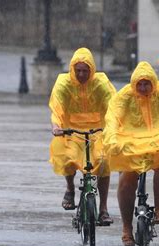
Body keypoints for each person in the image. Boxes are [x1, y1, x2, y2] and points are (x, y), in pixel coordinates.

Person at [103, 61, 159, 246]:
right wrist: (112, 138)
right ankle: (127, 228)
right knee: (126, 181)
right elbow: (113, 117)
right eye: (140, 84)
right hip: (131, 141)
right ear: (134, 83)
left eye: (146, 84)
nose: (143, 88)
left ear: (153, 83)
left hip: (158, 138)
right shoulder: (125, 96)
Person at [49, 47, 116, 225]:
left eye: (85, 71)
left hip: (98, 131)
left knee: (103, 161)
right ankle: (70, 189)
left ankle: (103, 209)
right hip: (71, 131)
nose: (81, 74)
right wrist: (57, 126)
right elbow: (57, 107)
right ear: (72, 69)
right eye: (77, 70)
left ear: (92, 70)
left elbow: (113, 107)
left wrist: (115, 126)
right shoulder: (64, 83)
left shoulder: (101, 83)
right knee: (68, 158)